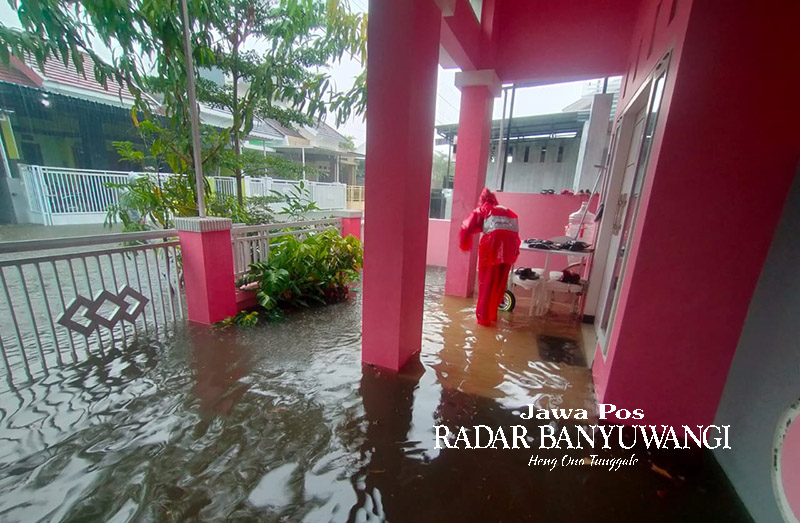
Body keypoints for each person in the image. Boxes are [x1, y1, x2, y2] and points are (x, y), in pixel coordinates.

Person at [459, 188, 520, 326]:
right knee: (499, 284)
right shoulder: (508, 212)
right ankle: (493, 315)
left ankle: (483, 319)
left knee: (486, 284)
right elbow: (517, 237)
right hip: (508, 252)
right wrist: (515, 252)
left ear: (483, 200)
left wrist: (464, 243)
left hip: (490, 251)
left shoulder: (484, 209)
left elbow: (466, 226)